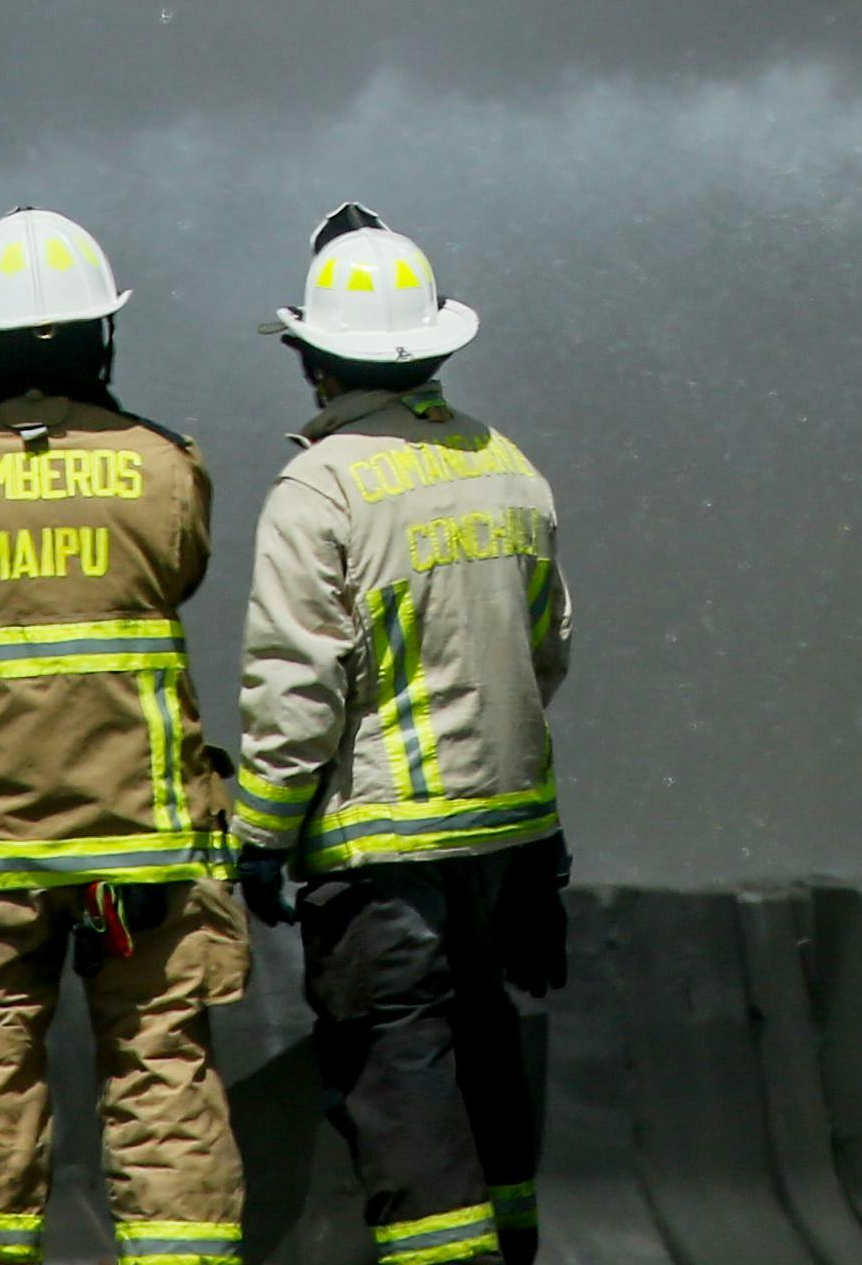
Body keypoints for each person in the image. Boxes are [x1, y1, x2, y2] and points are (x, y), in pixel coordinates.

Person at [0, 210, 247, 1265]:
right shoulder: (166, 467)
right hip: (142, 849)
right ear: (103, 338)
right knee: (162, 1066)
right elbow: (180, 570)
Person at [230, 208, 572, 1265]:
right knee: (485, 1059)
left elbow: (298, 689)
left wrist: (261, 832)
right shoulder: (507, 465)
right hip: (509, 843)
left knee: (401, 1074)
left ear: (315, 363)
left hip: (384, 859)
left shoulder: (319, 488)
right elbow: (546, 651)